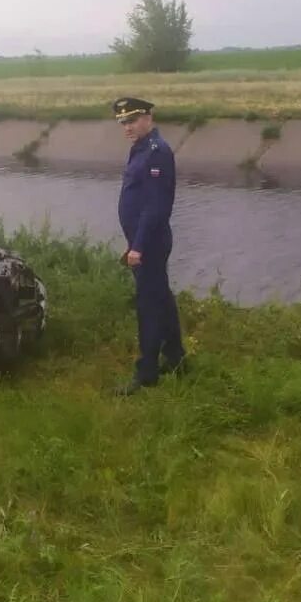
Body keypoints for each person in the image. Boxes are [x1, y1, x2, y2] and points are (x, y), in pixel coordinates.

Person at [113, 96, 187, 395]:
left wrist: (139, 247)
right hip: (143, 241)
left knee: (148, 305)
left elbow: (156, 206)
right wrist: (134, 242)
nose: (127, 127)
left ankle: (146, 373)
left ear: (148, 118)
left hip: (151, 243)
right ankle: (176, 358)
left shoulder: (157, 152)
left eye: (132, 120)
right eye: (123, 122)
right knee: (161, 298)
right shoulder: (140, 149)